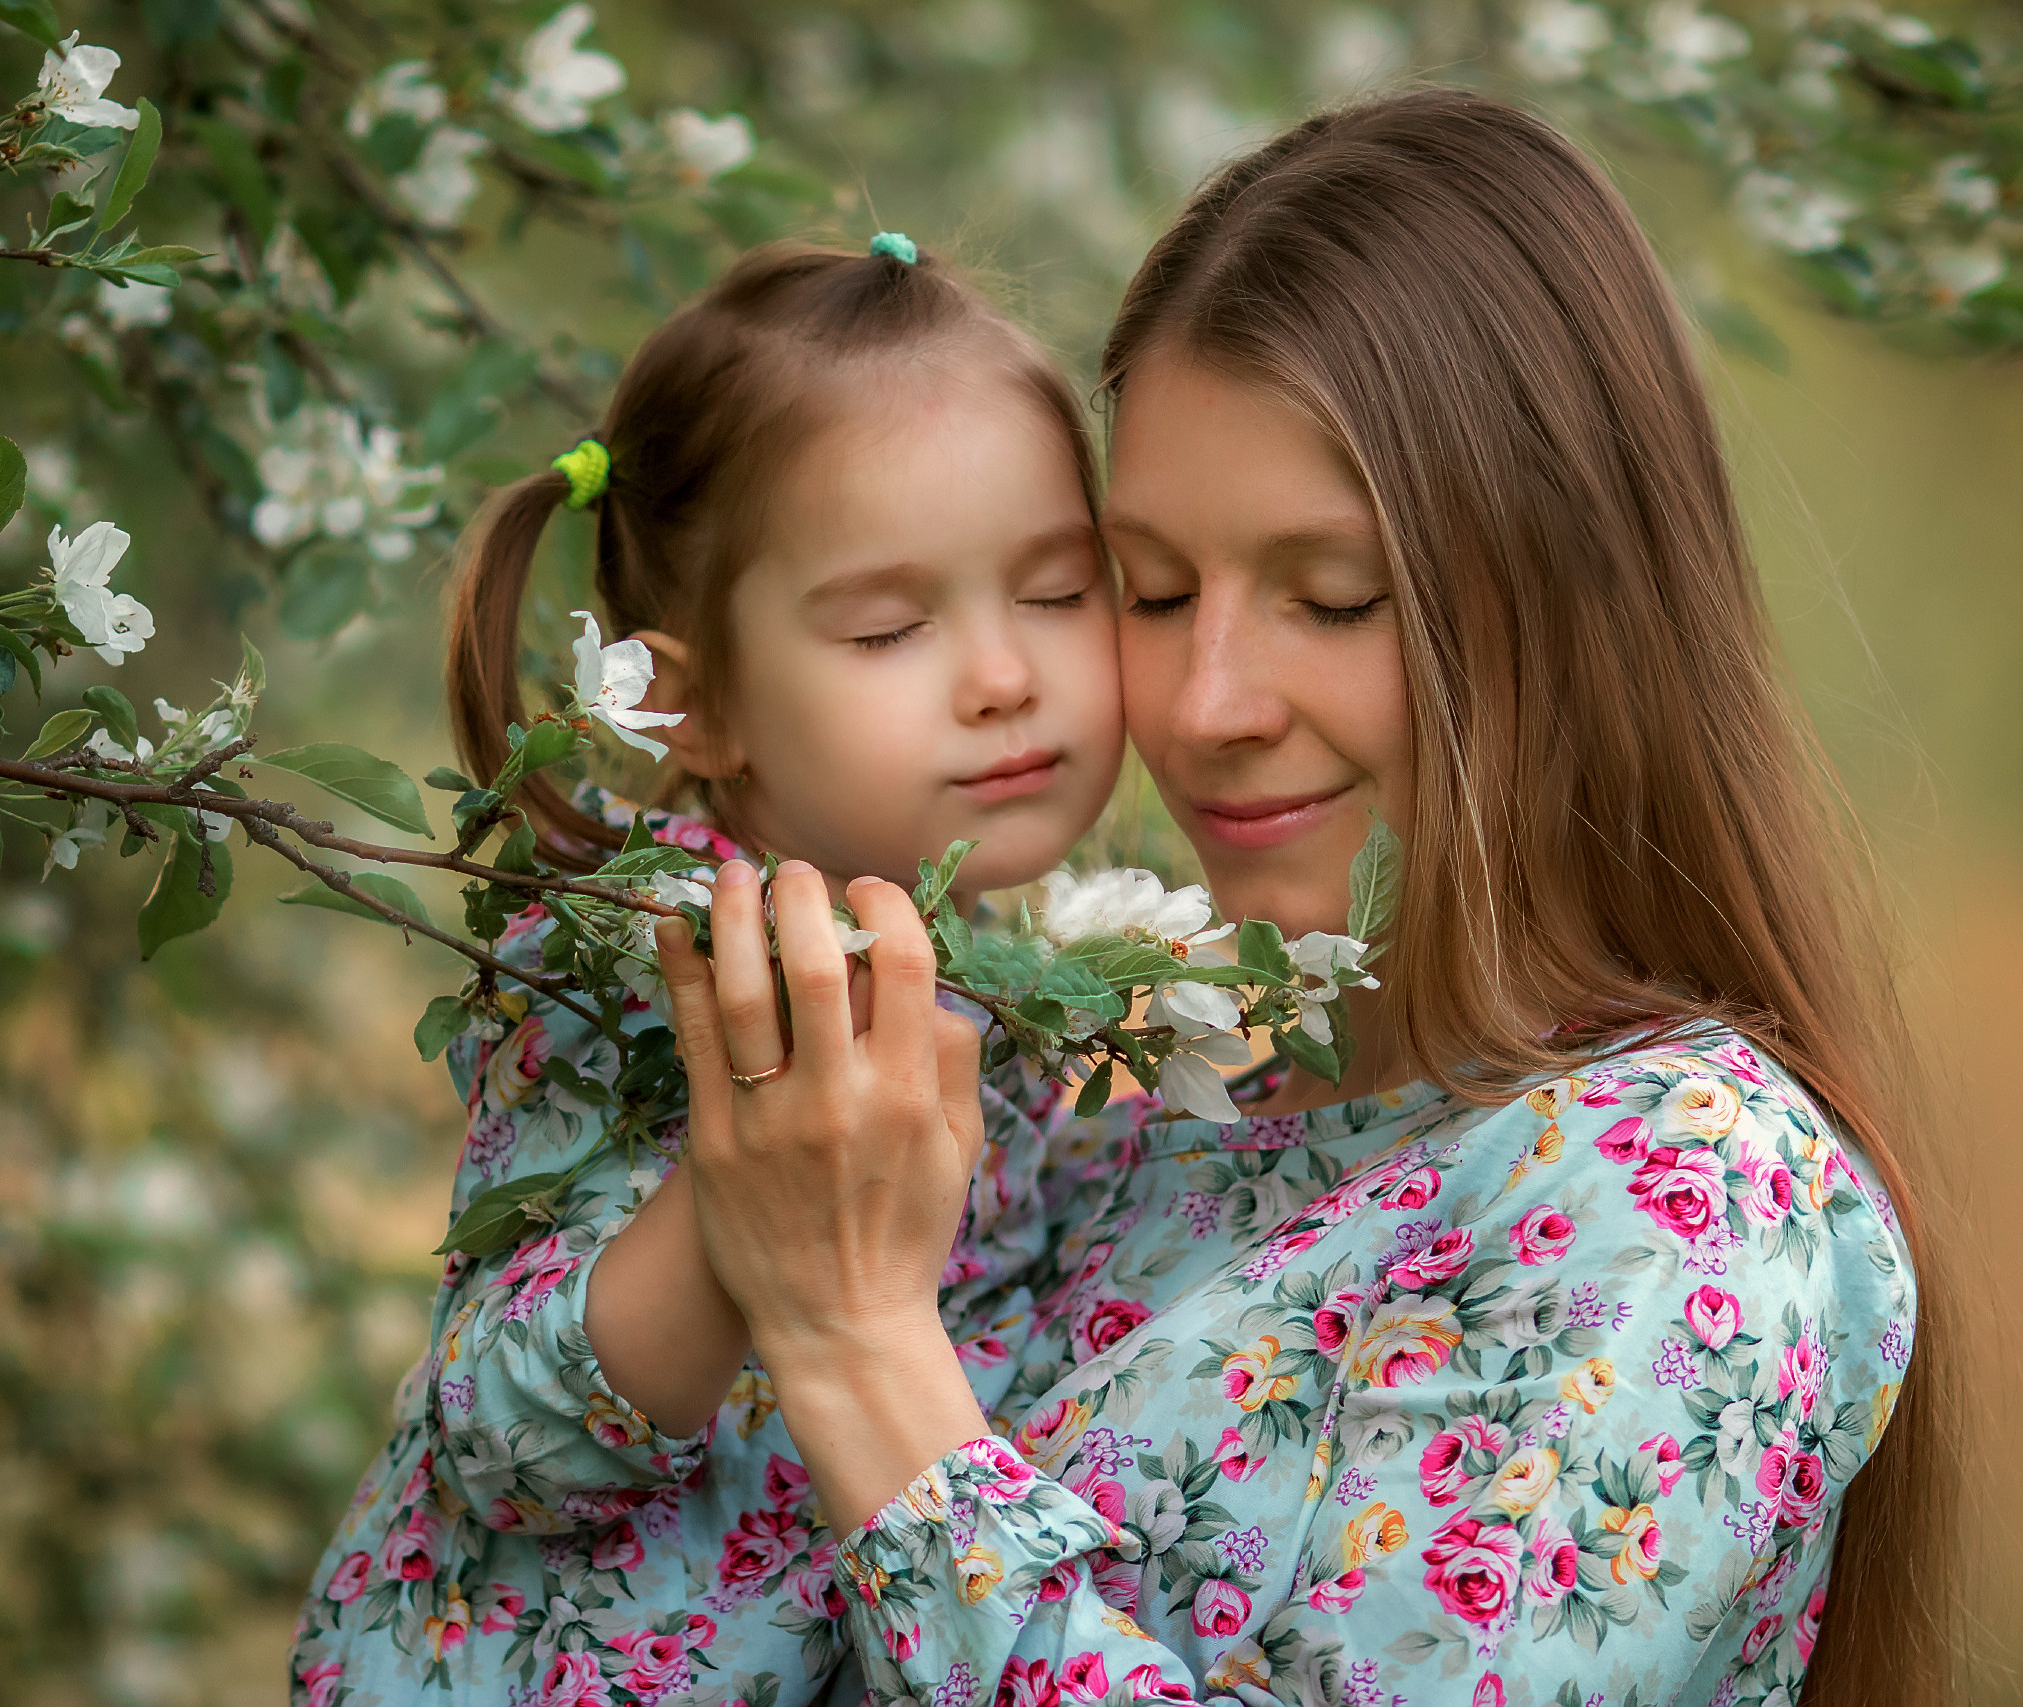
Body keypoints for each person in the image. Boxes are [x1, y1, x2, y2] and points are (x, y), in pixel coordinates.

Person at [657, 92, 1950, 1706]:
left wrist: (857, 1345)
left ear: (1566, 598)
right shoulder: (1134, 1117)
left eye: (1332, 598)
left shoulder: (1683, 1188)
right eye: (1150, 590)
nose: (1204, 705)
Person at [290, 236, 1129, 1705]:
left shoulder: (1011, 963)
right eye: (890, 627)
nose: (1006, 676)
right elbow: (502, 1439)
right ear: (694, 706)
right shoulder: (658, 958)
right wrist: (754, 1203)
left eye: (1061, 592)